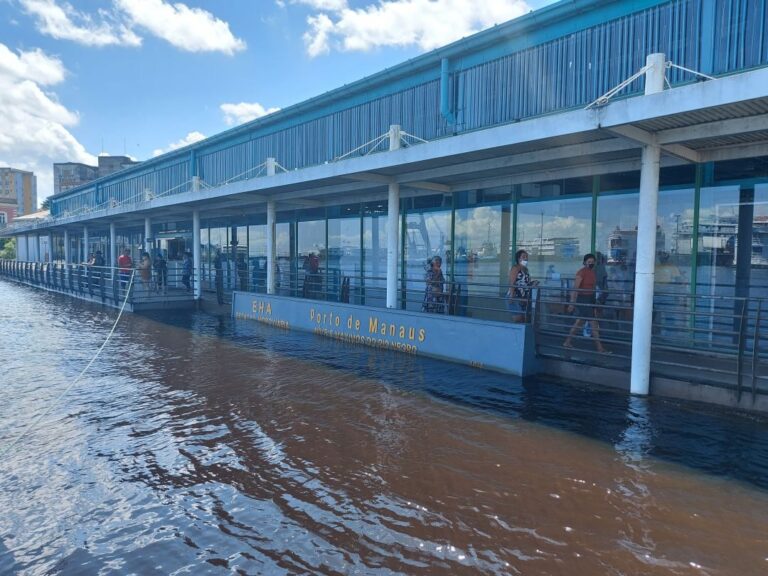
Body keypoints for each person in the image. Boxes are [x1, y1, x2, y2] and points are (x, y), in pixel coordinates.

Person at [563, 253, 611, 354]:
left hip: (590, 299)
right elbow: (575, 288)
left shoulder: (592, 273)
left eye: (593, 262)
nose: (591, 264)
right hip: (583, 299)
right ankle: (600, 348)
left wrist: (595, 300)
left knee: (579, 322)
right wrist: (572, 303)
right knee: (593, 323)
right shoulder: (581, 272)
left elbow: (593, 287)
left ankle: (567, 341)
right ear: (585, 262)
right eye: (589, 262)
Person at [507, 249, 538, 323]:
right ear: (518, 258)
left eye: (526, 257)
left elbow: (525, 283)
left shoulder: (526, 270)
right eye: (523, 257)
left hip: (523, 298)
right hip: (515, 296)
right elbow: (512, 282)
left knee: (524, 319)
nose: (526, 258)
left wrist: (533, 283)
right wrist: (511, 295)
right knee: (518, 318)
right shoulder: (515, 268)